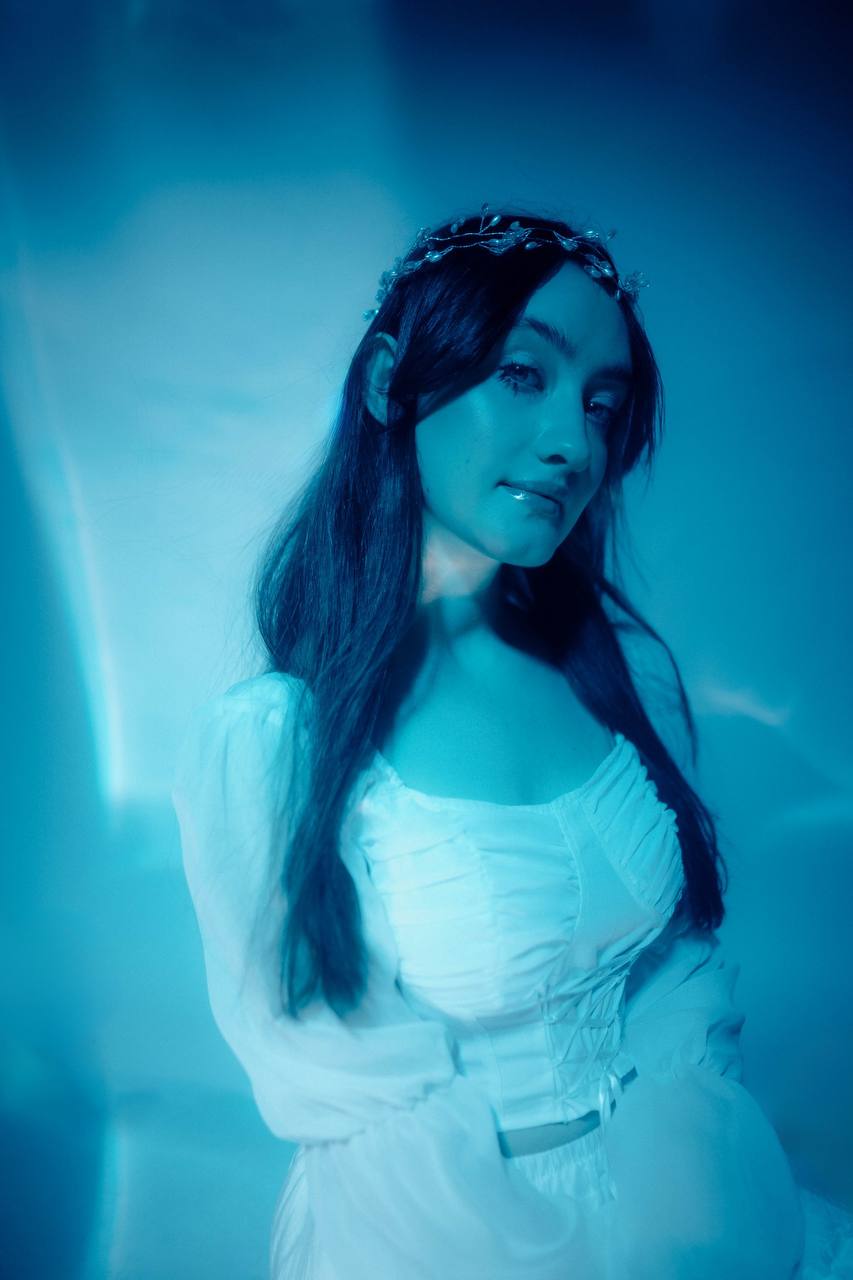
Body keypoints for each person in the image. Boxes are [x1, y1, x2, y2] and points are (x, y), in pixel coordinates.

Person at [172, 205, 853, 1278]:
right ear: (390, 382)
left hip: (670, 1210)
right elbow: (335, 1070)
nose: (573, 444)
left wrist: (680, 1229)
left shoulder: (610, 674)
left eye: (601, 403)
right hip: (433, 1240)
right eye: (523, 375)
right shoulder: (277, 748)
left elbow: (672, 973)